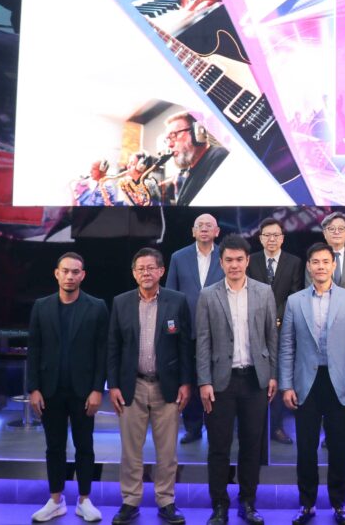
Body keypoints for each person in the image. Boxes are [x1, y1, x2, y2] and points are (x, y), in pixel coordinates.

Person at [280, 243, 345, 525]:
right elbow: (287, 346)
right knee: (306, 449)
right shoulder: (294, 301)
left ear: (333, 265)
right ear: (308, 266)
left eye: (325, 261)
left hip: (340, 383)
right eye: (315, 262)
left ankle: (339, 504)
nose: (320, 266)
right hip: (305, 383)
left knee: (339, 448)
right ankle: (306, 504)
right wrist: (286, 385)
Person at [196, 235, 279, 525]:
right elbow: (202, 341)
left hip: (255, 380)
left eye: (239, 259)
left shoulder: (264, 292)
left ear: (247, 261)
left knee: (251, 445)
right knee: (218, 447)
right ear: (221, 263)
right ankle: (219, 505)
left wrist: (273, 375)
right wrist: (204, 381)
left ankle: (248, 503)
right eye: (229, 260)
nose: (234, 265)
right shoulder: (208, 295)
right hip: (221, 383)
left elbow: (272, 337)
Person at [108, 248, 193, 525]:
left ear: (161, 271)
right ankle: (130, 501)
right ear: (134, 273)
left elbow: (185, 346)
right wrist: (113, 385)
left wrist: (185, 382)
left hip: (166, 387)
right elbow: (113, 347)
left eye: (151, 268)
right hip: (131, 386)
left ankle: (166, 501)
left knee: (167, 451)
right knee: (130, 451)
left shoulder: (177, 301)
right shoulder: (121, 302)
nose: (146, 273)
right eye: (140, 268)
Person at [27, 252, 108, 523]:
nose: (70, 276)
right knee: (54, 447)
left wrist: (98, 389)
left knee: (85, 446)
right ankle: (55, 500)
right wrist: (33, 388)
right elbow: (34, 349)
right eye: (65, 271)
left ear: (82, 275)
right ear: (57, 273)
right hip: (49, 390)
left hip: (84, 391)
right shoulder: (41, 306)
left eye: (75, 272)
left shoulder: (97, 307)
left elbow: (102, 352)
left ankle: (84, 500)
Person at [309, 211, 345, 448]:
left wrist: (343, 312)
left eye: (341, 228)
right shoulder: (315, 259)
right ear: (324, 233)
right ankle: (327, 433)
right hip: (320, 329)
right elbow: (309, 292)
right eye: (332, 229)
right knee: (325, 382)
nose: (336, 233)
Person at [245, 217, 305, 445]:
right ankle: (253, 427)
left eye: (276, 235)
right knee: (255, 377)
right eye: (267, 235)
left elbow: (295, 294)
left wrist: (277, 318)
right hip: (253, 327)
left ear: (282, 238)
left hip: (283, 327)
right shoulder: (251, 261)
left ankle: (277, 426)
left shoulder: (294, 262)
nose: (271, 239)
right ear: (260, 239)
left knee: (278, 377)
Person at [167, 213, 224, 444]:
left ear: (217, 231)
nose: (204, 229)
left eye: (209, 225)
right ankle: (193, 427)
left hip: (219, 330)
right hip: (187, 329)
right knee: (190, 377)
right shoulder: (178, 257)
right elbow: (170, 295)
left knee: (218, 379)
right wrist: (172, 328)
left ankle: (217, 425)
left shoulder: (226, 255)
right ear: (193, 231)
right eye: (199, 225)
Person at [163, 111, 229, 206]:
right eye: (167, 140)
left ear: (197, 132)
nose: (169, 145)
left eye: (173, 135)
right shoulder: (191, 170)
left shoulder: (219, 157)